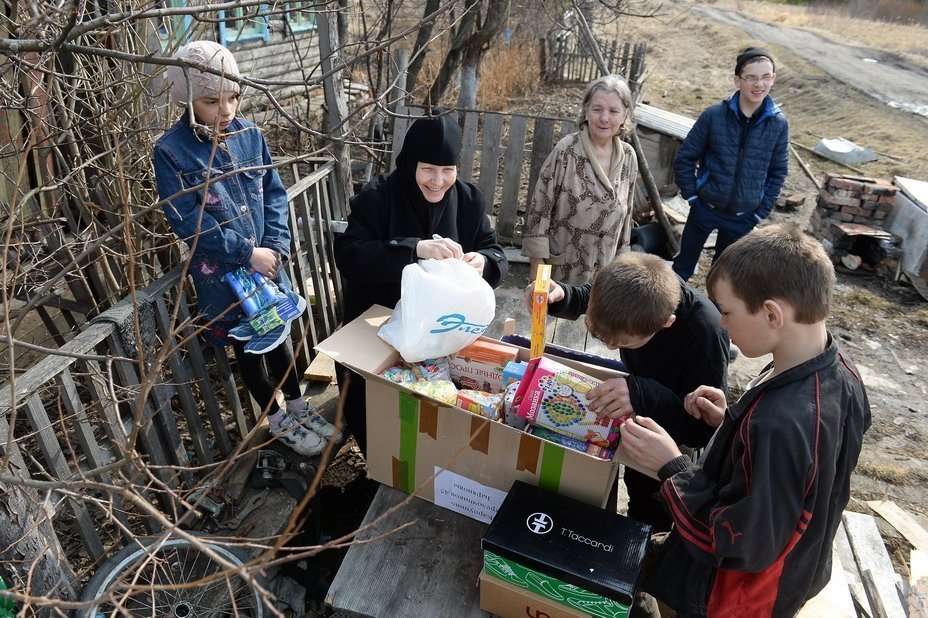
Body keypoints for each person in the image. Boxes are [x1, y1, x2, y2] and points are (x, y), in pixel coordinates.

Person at [621, 224, 871, 616]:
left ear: (771, 313)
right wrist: (729, 422)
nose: (722, 324)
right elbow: (799, 476)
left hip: (734, 597)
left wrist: (670, 466)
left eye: (727, 311)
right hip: (797, 568)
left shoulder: (781, 424)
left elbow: (736, 541)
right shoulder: (840, 373)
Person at [154, 41, 340, 458]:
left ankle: (297, 406)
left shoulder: (250, 135)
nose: (226, 110)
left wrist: (275, 246)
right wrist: (245, 253)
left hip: (269, 265)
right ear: (185, 100)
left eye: (233, 96)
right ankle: (276, 421)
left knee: (283, 338)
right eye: (210, 101)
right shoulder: (170, 151)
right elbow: (188, 222)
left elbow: (274, 195)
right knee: (250, 350)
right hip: (224, 277)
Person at [334, 109, 508, 455]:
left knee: (432, 412)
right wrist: (414, 249)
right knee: (372, 409)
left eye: (447, 171)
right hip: (377, 324)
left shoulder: (470, 201)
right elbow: (349, 255)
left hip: (438, 330)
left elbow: (494, 250)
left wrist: (483, 262)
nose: (437, 181)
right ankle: (378, 462)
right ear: (410, 162)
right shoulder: (378, 197)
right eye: (428, 169)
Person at [528, 252, 729, 530]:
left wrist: (642, 394)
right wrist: (564, 296)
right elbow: (591, 296)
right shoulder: (629, 285)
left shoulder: (704, 337)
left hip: (666, 438)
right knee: (630, 482)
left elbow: (700, 432)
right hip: (635, 405)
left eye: (621, 342)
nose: (611, 347)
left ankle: (645, 543)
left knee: (650, 505)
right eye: (602, 338)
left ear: (665, 324)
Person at [671, 46, 789, 282]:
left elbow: (778, 172)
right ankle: (671, 314)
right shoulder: (713, 116)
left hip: (743, 216)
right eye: (751, 78)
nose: (759, 84)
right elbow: (685, 157)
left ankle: (714, 319)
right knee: (681, 270)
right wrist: (693, 196)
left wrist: (759, 212)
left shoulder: (778, 124)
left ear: (773, 79)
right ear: (738, 81)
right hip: (705, 207)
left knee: (723, 279)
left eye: (766, 77)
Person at [521, 74, 639, 285]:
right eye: (597, 109)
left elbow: (627, 218)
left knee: (597, 318)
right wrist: (537, 268)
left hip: (605, 277)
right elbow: (540, 209)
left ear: (625, 115)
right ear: (586, 111)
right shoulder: (566, 151)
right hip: (562, 274)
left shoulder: (628, 157)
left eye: (613, 111)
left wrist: (623, 266)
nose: (604, 117)